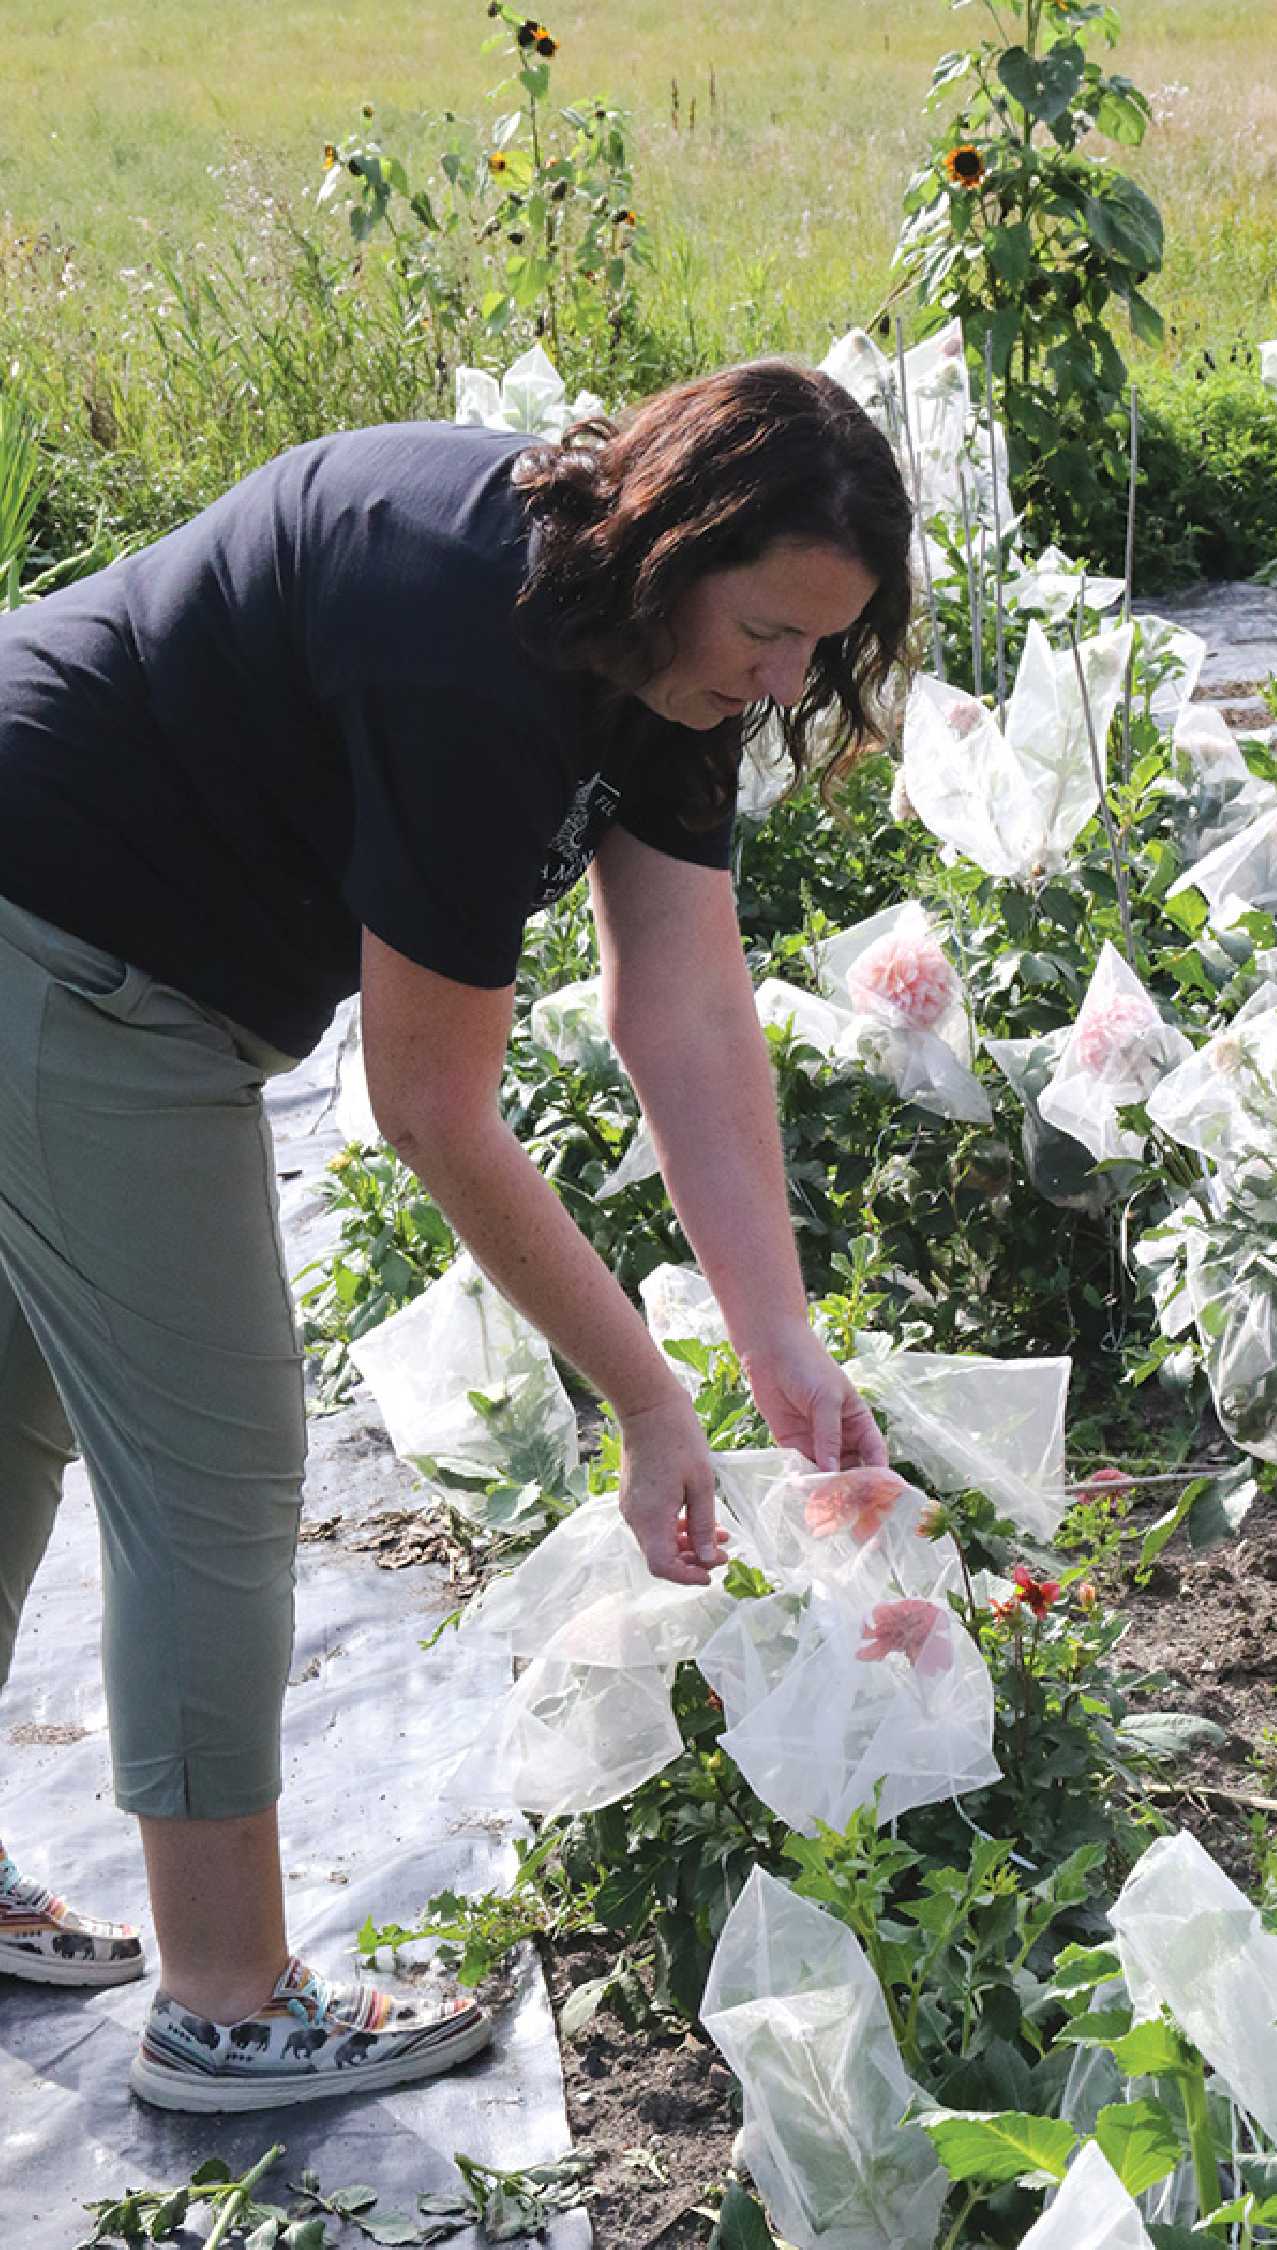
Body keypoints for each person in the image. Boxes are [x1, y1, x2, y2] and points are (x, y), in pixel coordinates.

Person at [0, 360, 914, 2109]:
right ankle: (223, 2002)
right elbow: (430, 1102)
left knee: (13, 1409)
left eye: (821, 644)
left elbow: (688, 1004)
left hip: (62, 901)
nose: (786, 677)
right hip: (69, 938)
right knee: (214, 1468)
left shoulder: (660, 657)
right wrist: (650, 1399)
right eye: (773, 627)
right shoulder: (476, 650)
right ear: (680, 542)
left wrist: (777, 1339)